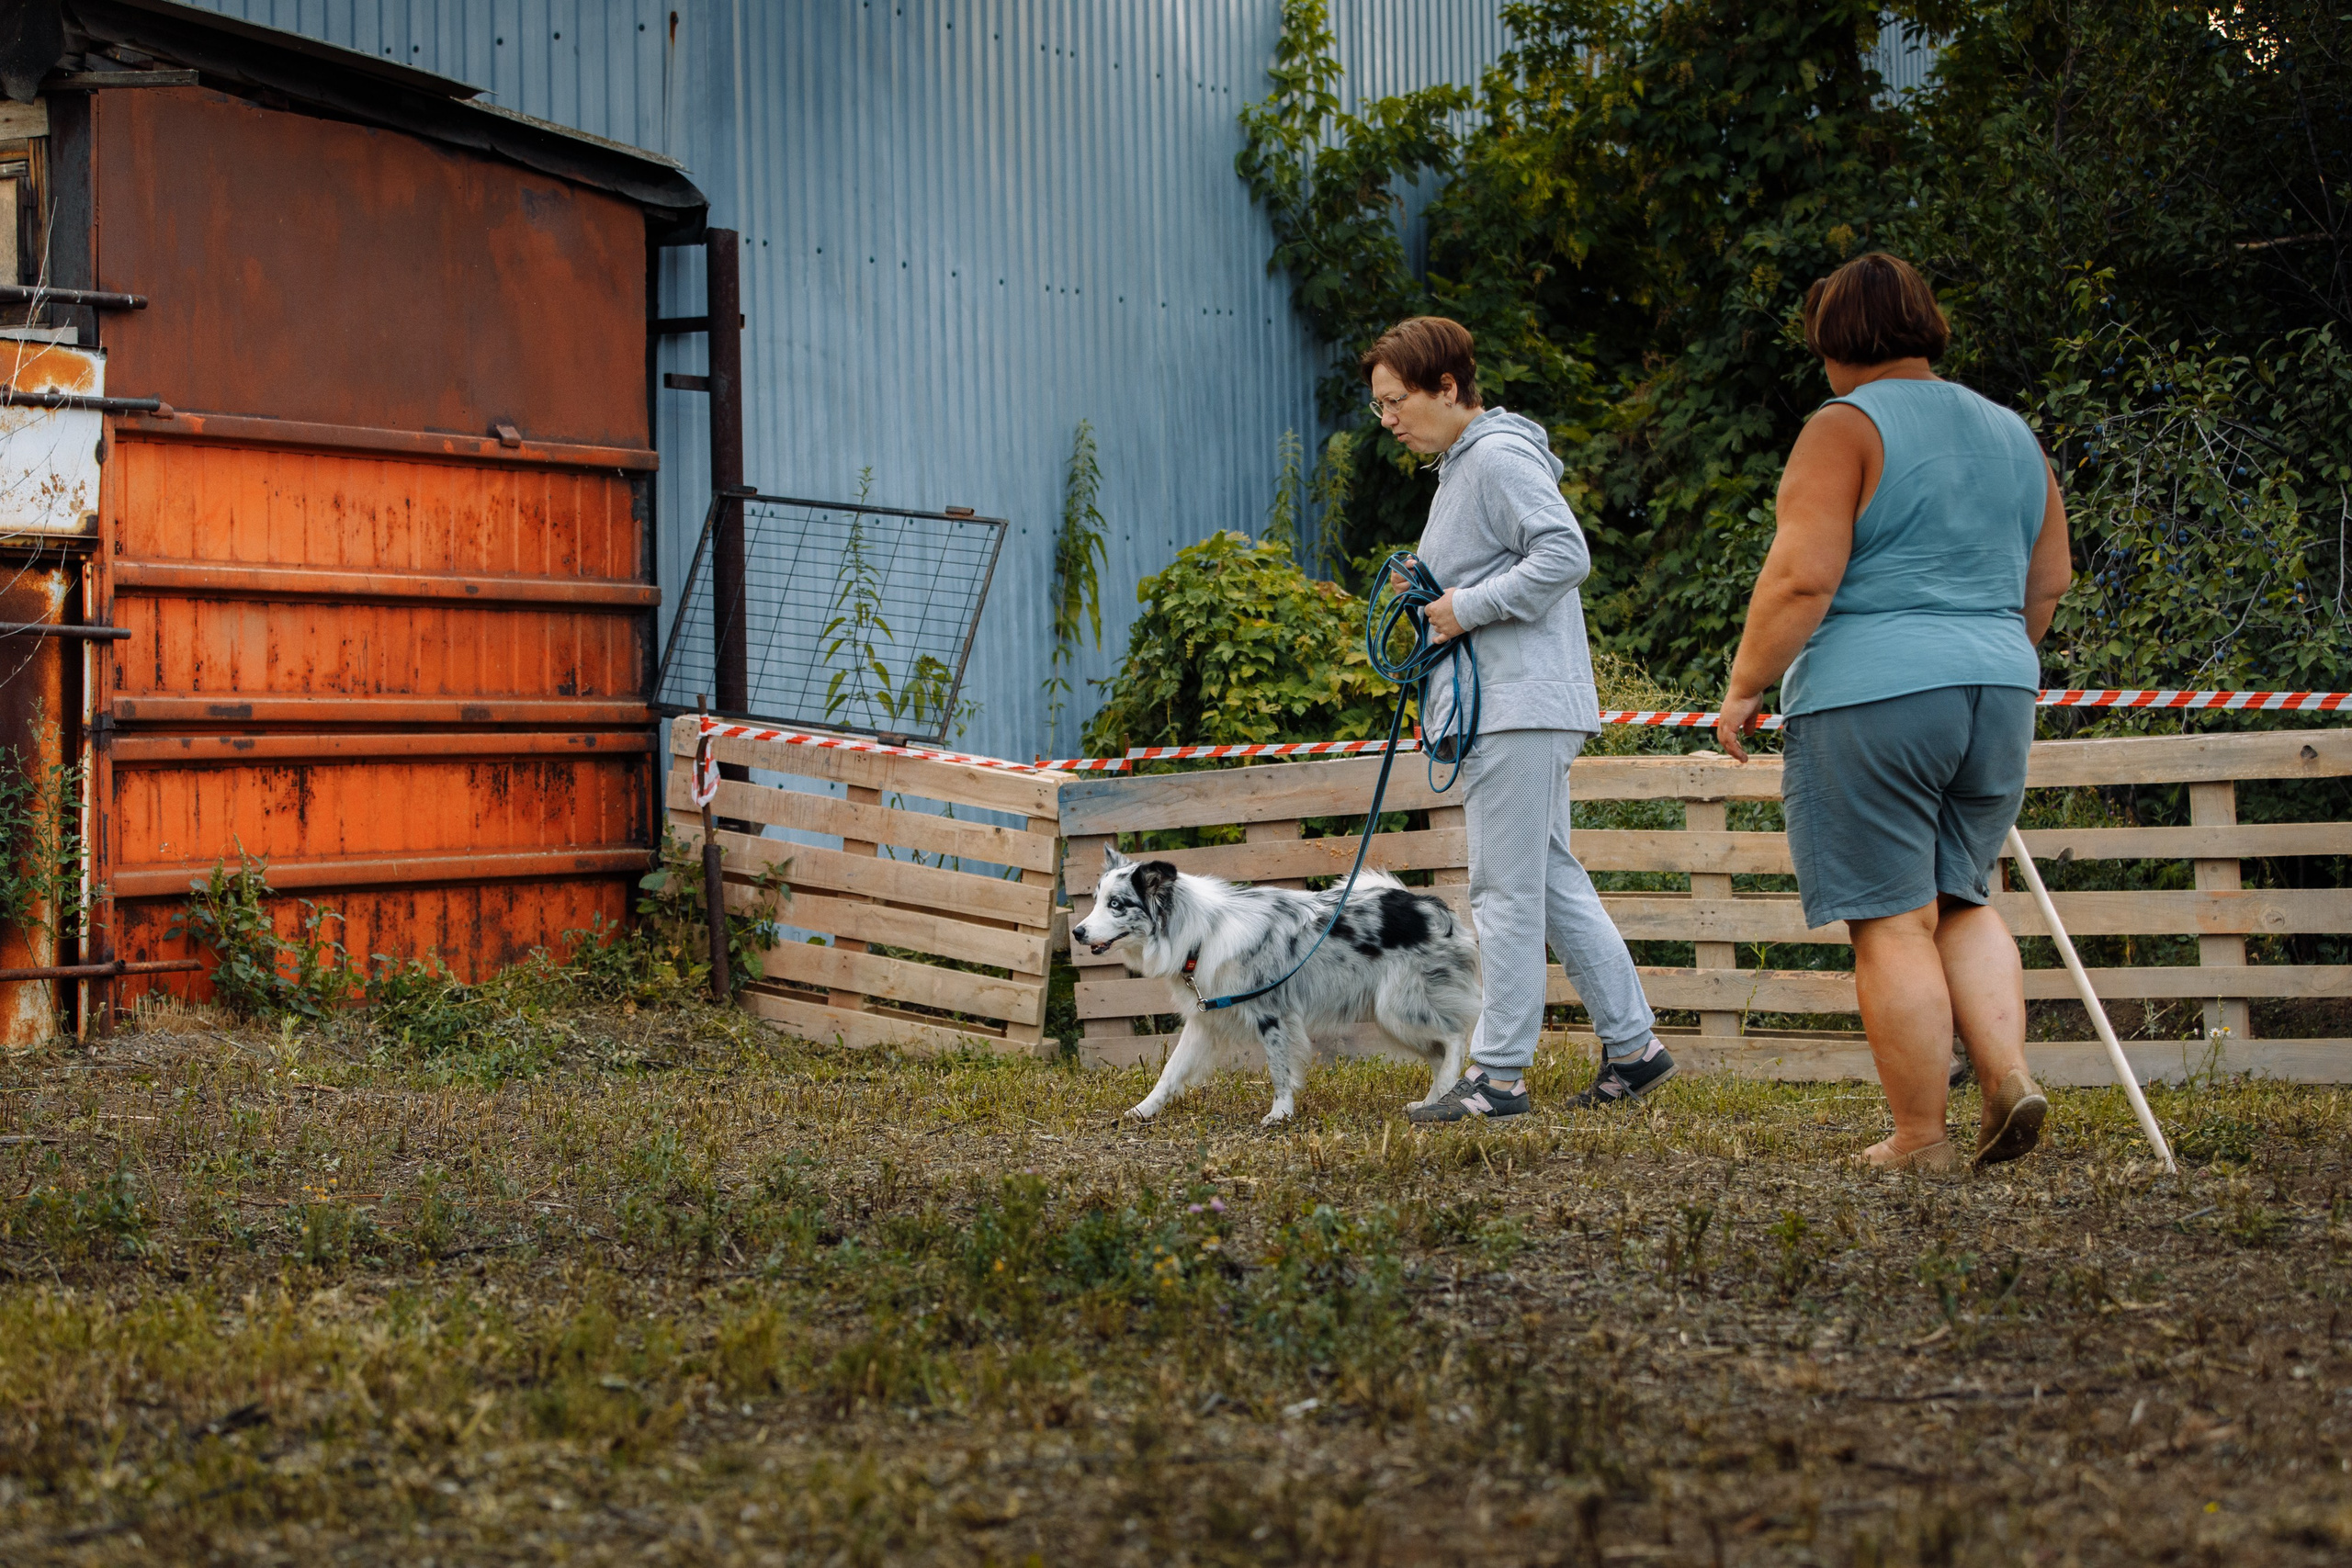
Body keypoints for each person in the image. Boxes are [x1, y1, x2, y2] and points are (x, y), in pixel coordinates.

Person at [1715, 253, 2073, 1172]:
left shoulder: (1842, 427)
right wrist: (1992, 655)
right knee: (1964, 897)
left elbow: (1802, 577)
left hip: (1873, 691)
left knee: (1890, 919)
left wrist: (1746, 683)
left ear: (1830, 338)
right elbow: (2049, 581)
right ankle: (2006, 1074)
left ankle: (1919, 1137)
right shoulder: (2010, 432)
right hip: (1998, 686)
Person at [1360, 318, 1673, 1123]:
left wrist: (1462, 607)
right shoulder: (1463, 468)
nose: (1388, 418)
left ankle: (1499, 1078)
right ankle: (1634, 1049)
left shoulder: (1494, 457)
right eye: (1380, 406)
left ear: (1448, 388)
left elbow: (1565, 553)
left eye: (1397, 401)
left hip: (1515, 707)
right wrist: (1433, 587)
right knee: (1552, 882)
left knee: (1502, 894)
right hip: (1515, 703)